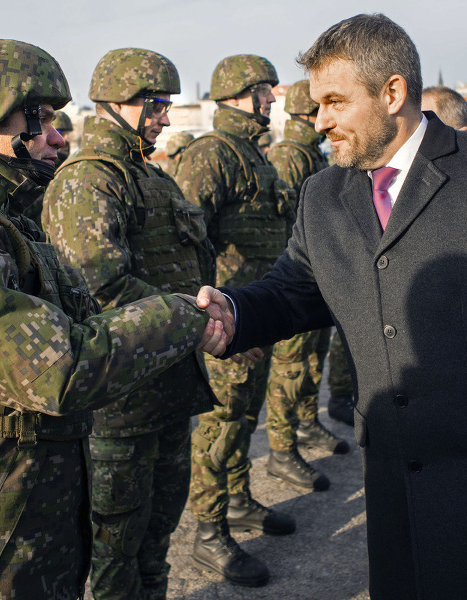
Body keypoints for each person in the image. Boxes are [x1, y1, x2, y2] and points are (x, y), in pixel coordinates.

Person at [198, 14, 467, 599]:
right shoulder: (324, 194)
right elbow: (294, 290)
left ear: (392, 93)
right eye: (317, 105)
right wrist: (235, 314)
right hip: (395, 491)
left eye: (335, 102)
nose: (321, 123)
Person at [0, 39, 231, 600]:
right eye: (40, 120)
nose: (58, 136)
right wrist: (183, 315)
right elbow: (59, 368)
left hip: (17, 518)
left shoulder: (1, 222)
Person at [43, 47, 217, 600]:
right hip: (119, 406)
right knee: (114, 549)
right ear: (116, 104)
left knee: (156, 537)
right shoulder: (88, 180)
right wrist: (197, 320)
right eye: (156, 104)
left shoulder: (150, 177)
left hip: (165, 389)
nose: (165, 117)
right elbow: (100, 286)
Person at [173, 54, 297, 587]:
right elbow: (189, 243)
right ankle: (209, 531)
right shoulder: (211, 155)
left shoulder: (252, 153)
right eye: (264, 91)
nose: (271, 100)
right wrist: (215, 324)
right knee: (220, 427)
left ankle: (239, 501)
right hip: (227, 322)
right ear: (238, 96)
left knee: (244, 418)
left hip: (254, 315)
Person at [265, 79, 348, 493]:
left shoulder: (309, 155)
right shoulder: (288, 155)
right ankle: (281, 450)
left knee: (312, 362)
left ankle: (307, 423)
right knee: (290, 366)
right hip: (295, 278)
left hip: (318, 277)